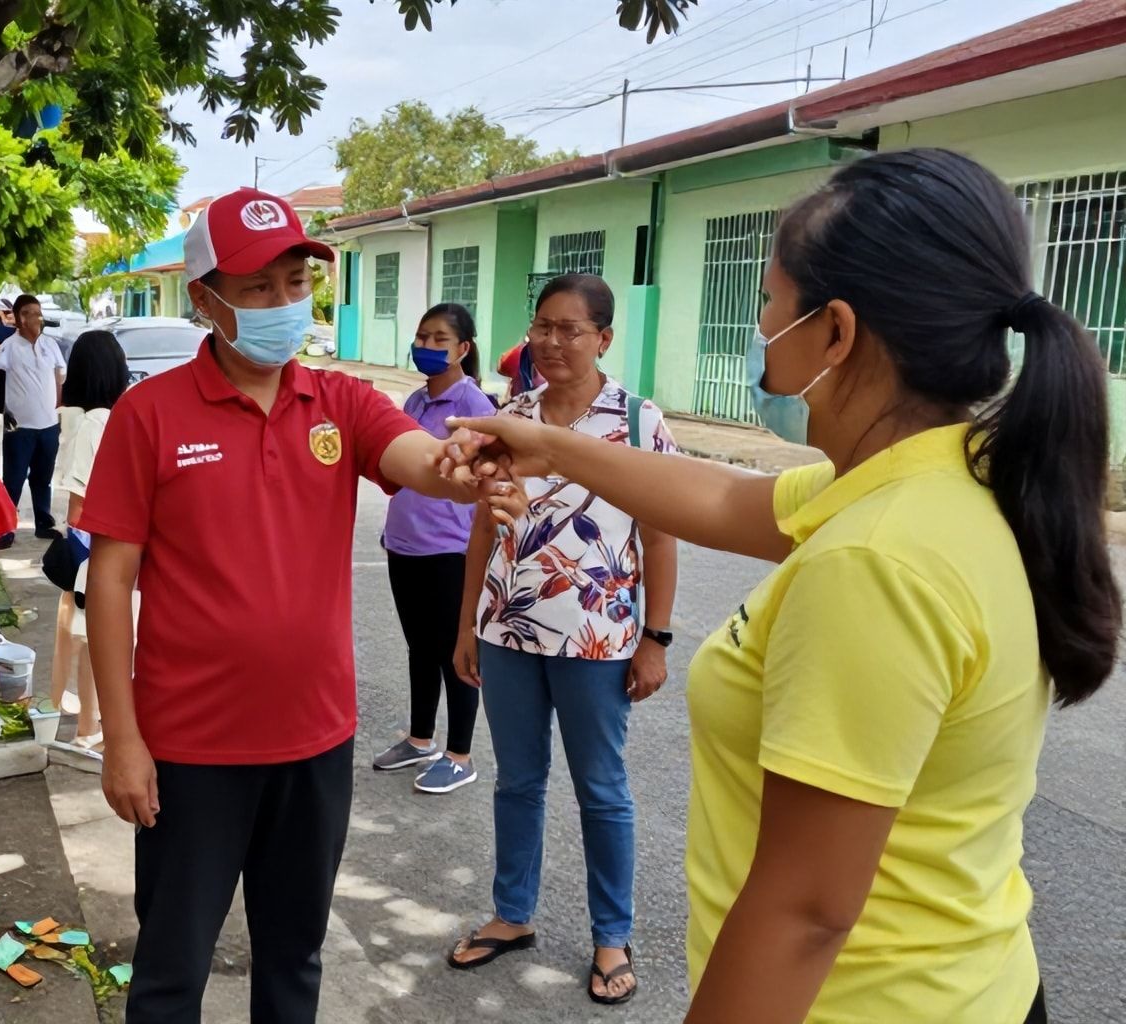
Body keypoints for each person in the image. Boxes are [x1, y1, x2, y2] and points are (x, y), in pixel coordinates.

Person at [438, 150, 1106, 1024]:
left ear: (835, 331)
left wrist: (653, 628)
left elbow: (805, 913)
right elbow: (720, 497)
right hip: (972, 981)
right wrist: (552, 445)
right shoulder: (939, 481)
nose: (759, 327)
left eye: (766, 303)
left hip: (870, 1003)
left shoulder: (875, 560)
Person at [79, 188, 480, 1023]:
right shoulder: (149, 415)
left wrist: (472, 463)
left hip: (314, 741)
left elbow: (420, 458)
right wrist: (122, 738)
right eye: (258, 288)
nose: (283, 304)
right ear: (205, 299)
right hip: (190, 747)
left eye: (296, 282)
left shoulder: (338, 403)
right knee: (170, 966)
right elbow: (110, 580)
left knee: (295, 957)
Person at [441, 274, 678, 1005]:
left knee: (601, 790)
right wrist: (468, 624)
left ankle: (612, 934)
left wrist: (656, 639)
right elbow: (484, 524)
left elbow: (661, 534)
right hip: (510, 632)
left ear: (604, 338)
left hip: (599, 644)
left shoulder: (638, 424)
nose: (550, 342)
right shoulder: (511, 416)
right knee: (517, 782)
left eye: (569, 329)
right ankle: (513, 915)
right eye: (541, 326)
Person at [371, 303, 497, 794]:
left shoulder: (479, 411)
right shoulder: (415, 404)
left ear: (463, 349)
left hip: (451, 550)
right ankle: (420, 737)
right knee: (420, 647)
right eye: (421, 337)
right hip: (404, 544)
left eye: (438, 339)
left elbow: (486, 492)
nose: (426, 347)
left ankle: (460, 754)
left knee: (455, 652)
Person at [50, 328, 131, 753]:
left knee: (89, 641)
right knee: (101, 644)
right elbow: (79, 510)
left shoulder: (82, 420)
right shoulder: (98, 423)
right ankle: (89, 729)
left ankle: (91, 726)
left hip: (98, 553)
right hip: (101, 554)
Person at [0, 293, 67, 548]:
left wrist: (57, 409)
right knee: (13, 479)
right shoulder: (9, 347)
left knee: (42, 478)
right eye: (28, 313)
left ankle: (44, 523)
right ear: (19, 319)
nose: (35, 318)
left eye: (37, 312)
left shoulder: (50, 345)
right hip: (19, 427)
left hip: (48, 425)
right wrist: (2, 409)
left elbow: (58, 376)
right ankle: (5, 528)